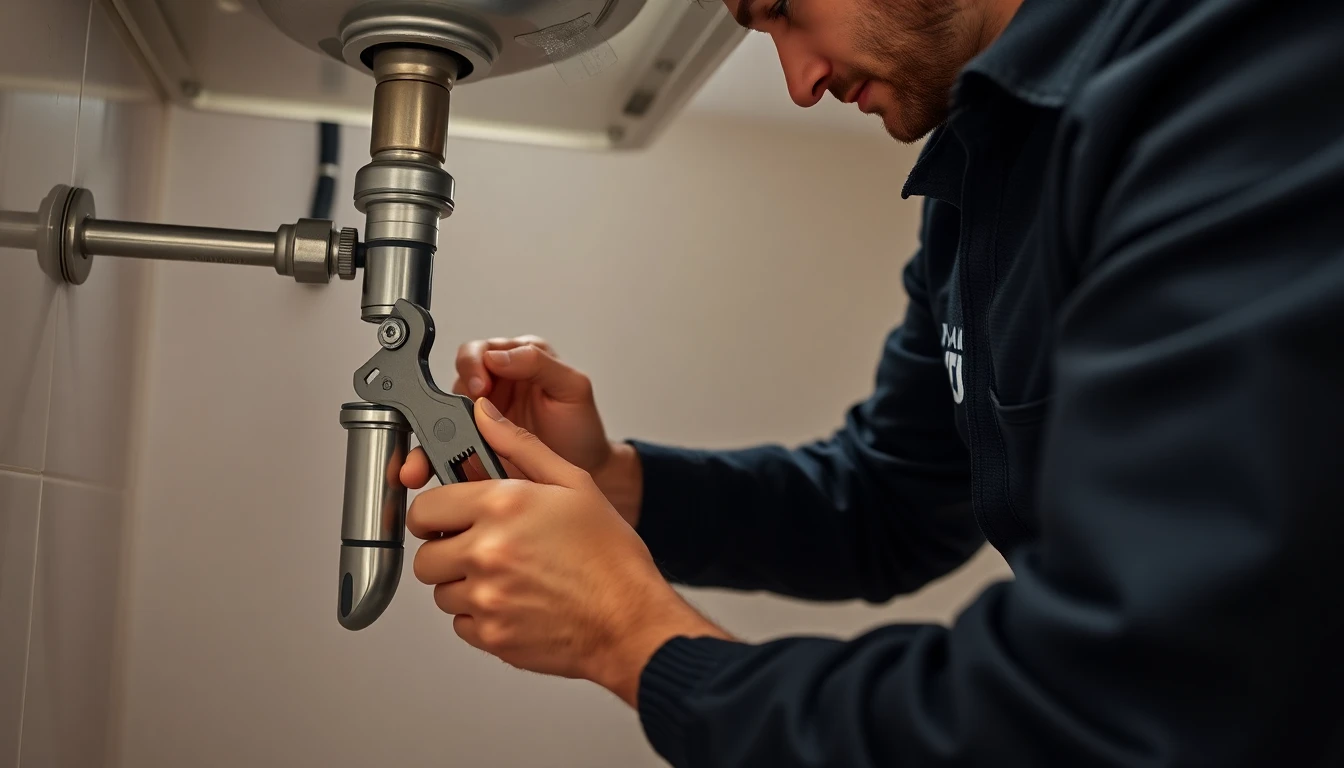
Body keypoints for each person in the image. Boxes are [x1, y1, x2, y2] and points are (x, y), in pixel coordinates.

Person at [399, 0, 1344, 764]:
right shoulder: (983, 170)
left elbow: (1121, 695)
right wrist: (615, 481)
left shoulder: (1240, 67)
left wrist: (633, 640)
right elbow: (888, 500)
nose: (800, 83)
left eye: (783, 11)